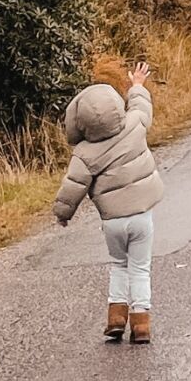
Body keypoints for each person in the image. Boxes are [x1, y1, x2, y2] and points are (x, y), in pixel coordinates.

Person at [53, 61, 163, 344]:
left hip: (112, 221)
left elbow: (73, 186)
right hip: (141, 216)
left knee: (118, 265)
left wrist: (63, 213)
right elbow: (141, 107)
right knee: (140, 267)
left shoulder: (84, 153)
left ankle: (115, 319)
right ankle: (141, 324)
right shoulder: (134, 125)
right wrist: (137, 86)